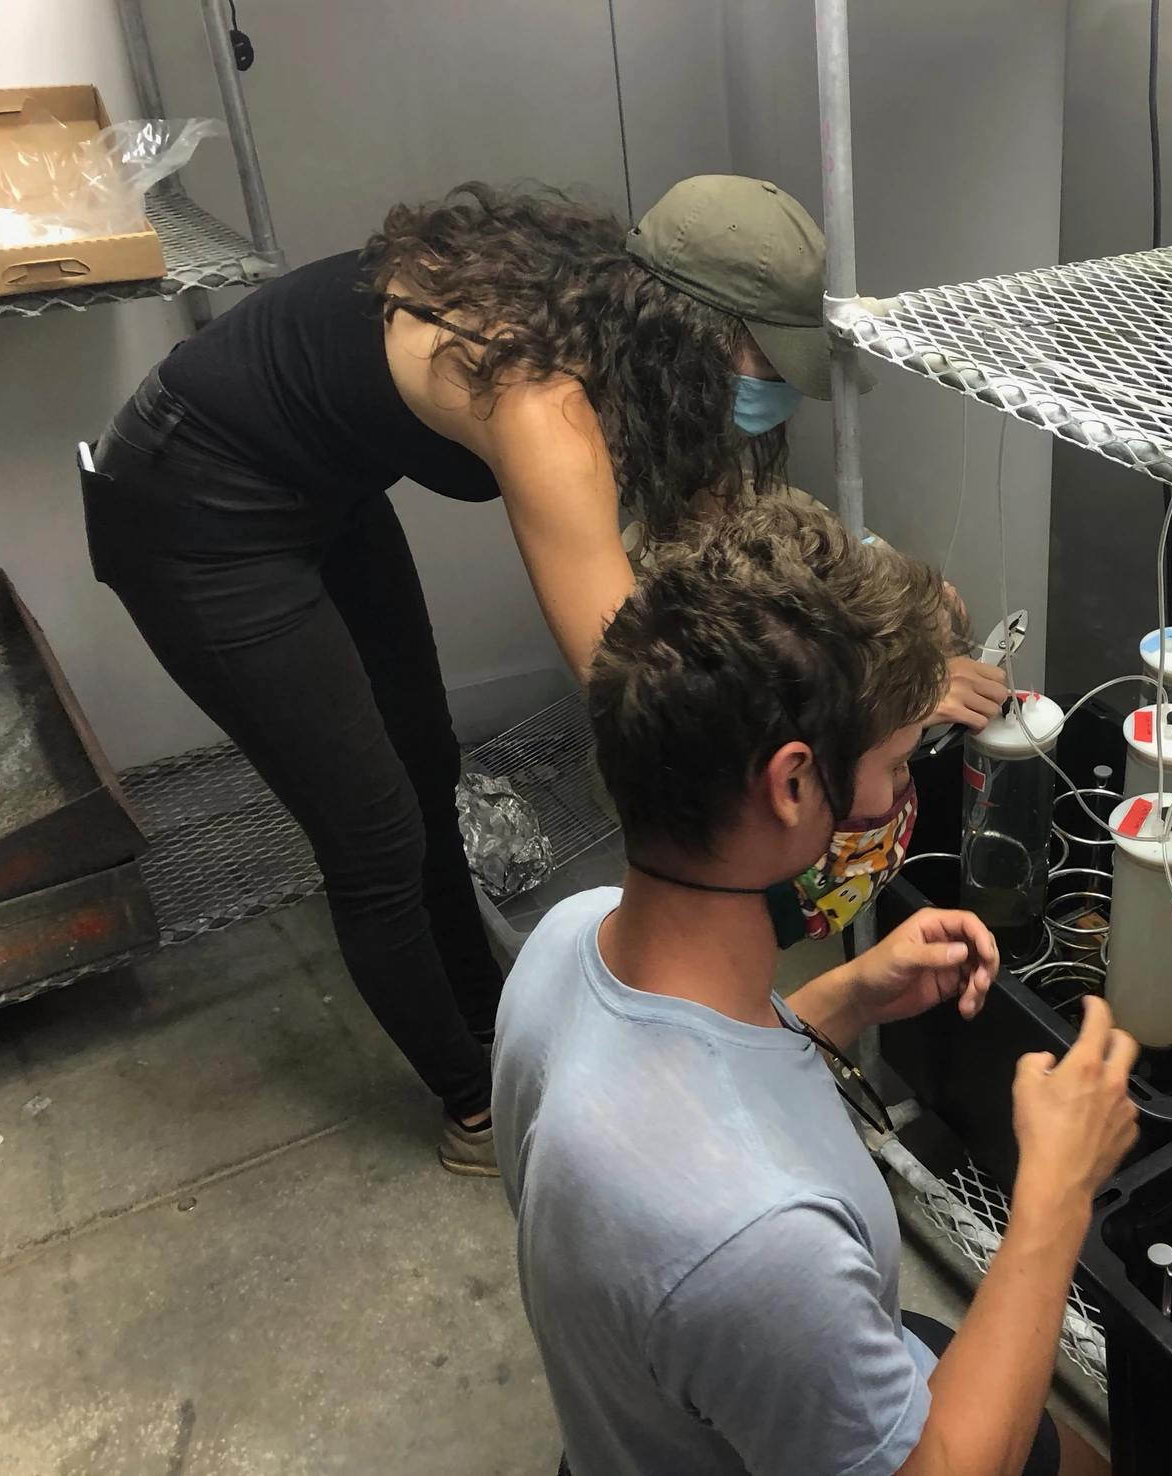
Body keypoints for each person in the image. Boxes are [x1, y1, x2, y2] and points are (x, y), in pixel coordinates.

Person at [79, 175, 1008, 1174]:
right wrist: (875, 700)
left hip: (318, 484)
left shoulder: (629, 341)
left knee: (425, 761)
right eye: (758, 359)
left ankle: (490, 1025)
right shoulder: (543, 397)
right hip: (191, 501)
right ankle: (480, 1111)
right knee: (376, 834)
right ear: (688, 325)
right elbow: (635, 674)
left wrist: (880, 623)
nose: (769, 388)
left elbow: (721, 550)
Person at [494, 498, 1138, 1476]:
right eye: (890, 764)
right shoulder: (763, 1244)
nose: (893, 799)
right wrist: (1052, 1199)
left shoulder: (565, 942)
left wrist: (846, 1001)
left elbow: (680, 1090)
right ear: (793, 786)